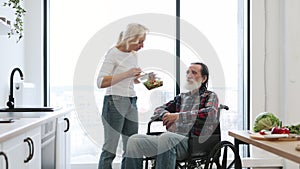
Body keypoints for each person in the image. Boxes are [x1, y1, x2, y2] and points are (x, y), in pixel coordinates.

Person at [124, 62, 219, 169]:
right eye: (188, 72)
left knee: (166, 138)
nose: (189, 75)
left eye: (194, 73)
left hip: (194, 142)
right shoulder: (181, 97)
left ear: (204, 78)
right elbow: (159, 109)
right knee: (134, 140)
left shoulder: (210, 96)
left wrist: (178, 116)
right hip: (170, 140)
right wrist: (166, 114)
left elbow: (210, 113)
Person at [97, 23, 149, 169]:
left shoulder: (133, 55)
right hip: (114, 102)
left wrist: (145, 79)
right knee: (110, 149)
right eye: (140, 42)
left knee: (133, 147)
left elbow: (132, 80)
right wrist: (128, 73)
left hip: (131, 101)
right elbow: (101, 82)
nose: (142, 45)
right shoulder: (113, 53)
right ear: (131, 39)